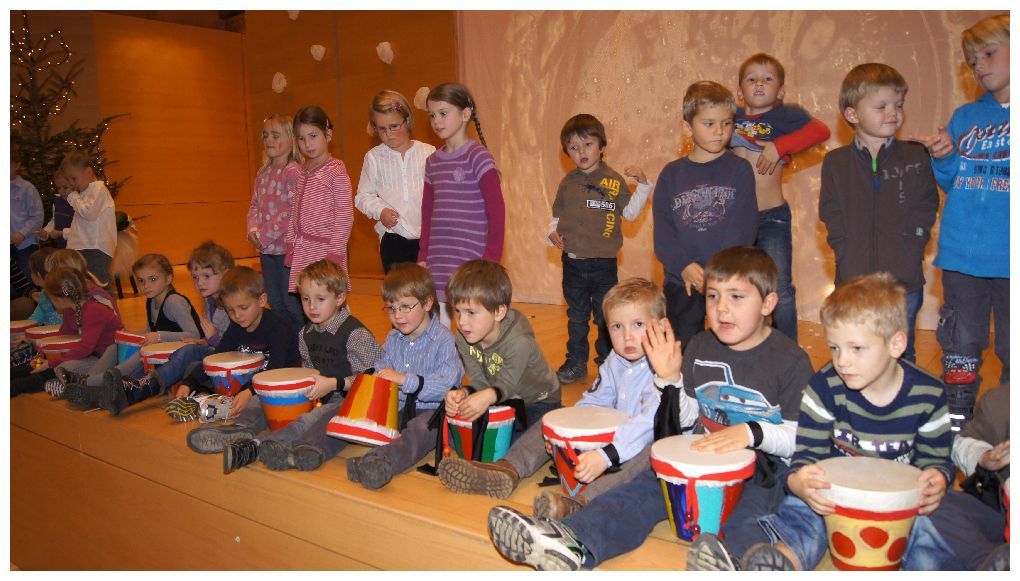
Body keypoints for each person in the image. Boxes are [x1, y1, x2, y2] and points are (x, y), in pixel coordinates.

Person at [487, 246, 811, 571]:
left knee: (751, 513)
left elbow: (800, 440)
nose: (722, 308)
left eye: (736, 297)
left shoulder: (790, 360)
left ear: (768, 303)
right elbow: (687, 418)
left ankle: (734, 565)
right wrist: (669, 380)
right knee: (637, 494)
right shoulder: (700, 346)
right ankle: (573, 543)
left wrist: (750, 433)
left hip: (764, 468)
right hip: (698, 451)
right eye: (713, 296)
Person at [739, 273, 962, 571]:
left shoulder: (928, 393)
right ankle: (779, 563)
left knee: (934, 527)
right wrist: (800, 482)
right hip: (835, 497)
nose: (842, 361)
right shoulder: (824, 387)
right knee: (803, 514)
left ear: (896, 344)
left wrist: (937, 479)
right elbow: (806, 454)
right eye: (835, 347)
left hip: (899, 503)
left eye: (856, 348)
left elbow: (937, 459)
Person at [438, 278, 663, 516]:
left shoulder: (661, 370)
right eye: (617, 326)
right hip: (611, 438)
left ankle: (578, 503)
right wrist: (561, 434)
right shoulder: (613, 362)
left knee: (645, 457)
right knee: (550, 423)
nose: (627, 336)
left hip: (638, 442)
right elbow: (593, 403)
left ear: (660, 326)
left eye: (638, 324)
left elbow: (646, 426)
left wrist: (606, 455)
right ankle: (506, 470)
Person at [346, 259, 560, 490]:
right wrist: (462, 393)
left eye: (471, 312)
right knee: (453, 427)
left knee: (545, 432)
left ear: (499, 312)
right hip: (503, 402)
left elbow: (507, 384)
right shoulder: (464, 339)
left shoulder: (518, 341)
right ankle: (481, 468)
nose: (462, 322)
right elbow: (479, 381)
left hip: (539, 402)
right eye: (457, 311)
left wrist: (483, 396)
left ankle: (505, 471)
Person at [186, 259, 382, 474]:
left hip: (351, 400)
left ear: (340, 298)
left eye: (320, 299)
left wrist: (335, 384)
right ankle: (241, 429)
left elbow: (374, 380)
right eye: (305, 299)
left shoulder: (355, 334)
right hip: (321, 395)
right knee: (269, 398)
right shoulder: (306, 333)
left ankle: (260, 446)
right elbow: (309, 370)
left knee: (310, 419)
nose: (312, 306)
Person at [913, 14, 1010, 431]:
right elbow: (951, 181)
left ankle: (1006, 426)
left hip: (1009, 257)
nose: (980, 66)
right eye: (972, 61)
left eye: (989, 53)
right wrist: (945, 156)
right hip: (961, 256)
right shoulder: (966, 116)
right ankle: (956, 424)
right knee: (960, 343)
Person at [818, 63, 938, 363]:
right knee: (856, 346)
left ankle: (904, 394)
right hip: (853, 278)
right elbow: (830, 210)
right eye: (882, 106)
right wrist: (843, 246)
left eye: (898, 105)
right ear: (852, 115)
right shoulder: (836, 162)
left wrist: (914, 242)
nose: (893, 113)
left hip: (903, 280)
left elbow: (927, 204)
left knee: (902, 351)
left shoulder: (916, 156)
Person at [731, 53, 830, 342]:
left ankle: (787, 351)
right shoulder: (730, 117)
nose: (759, 83)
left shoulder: (785, 115)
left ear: (781, 91)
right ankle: (743, 344)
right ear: (739, 91)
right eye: (751, 79)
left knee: (780, 289)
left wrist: (780, 145)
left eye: (768, 79)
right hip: (734, 220)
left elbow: (821, 130)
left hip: (771, 217)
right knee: (736, 286)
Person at [547, 113, 652, 384]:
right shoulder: (567, 183)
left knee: (606, 317)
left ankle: (609, 364)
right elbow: (556, 217)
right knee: (576, 317)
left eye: (588, 144)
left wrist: (643, 186)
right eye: (574, 147)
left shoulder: (614, 180)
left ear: (602, 146)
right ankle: (576, 362)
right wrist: (552, 234)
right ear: (567, 152)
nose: (581, 152)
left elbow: (630, 213)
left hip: (604, 264)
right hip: (573, 263)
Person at [653, 81, 758, 349]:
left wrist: (715, 273)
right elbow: (663, 234)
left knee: (732, 344)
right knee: (684, 347)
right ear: (687, 127)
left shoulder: (740, 170)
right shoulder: (670, 175)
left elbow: (743, 228)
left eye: (727, 123)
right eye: (709, 124)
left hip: (727, 280)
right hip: (682, 280)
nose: (719, 131)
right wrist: (684, 266)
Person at [61, 254, 204, 414]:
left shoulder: (174, 302)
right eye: (141, 281)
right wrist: (129, 336)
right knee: (115, 347)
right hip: (162, 350)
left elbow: (195, 334)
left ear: (169, 278)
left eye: (152, 279)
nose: (146, 286)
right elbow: (150, 330)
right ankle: (90, 380)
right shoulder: (151, 300)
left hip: (179, 356)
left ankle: (88, 383)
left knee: (141, 354)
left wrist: (159, 336)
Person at [418, 83, 505, 325]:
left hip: (471, 258)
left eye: (443, 113)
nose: (436, 121)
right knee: (440, 328)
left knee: (471, 323)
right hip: (439, 258)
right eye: (432, 115)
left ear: (465, 114)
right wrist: (423, 254)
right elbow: (427, 213)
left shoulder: (478, 156)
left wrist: (490, 260)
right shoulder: (432, 162)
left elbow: (497, 212)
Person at [173, 266, 300, 420]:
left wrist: (250, 391)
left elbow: (275, 369)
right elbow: (216, 358)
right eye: (230, 310)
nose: (237, 315)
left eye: (243, 308)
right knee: (194, 369)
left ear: (261, 300)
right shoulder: (236, 327)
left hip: (277, 383)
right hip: (248, 382)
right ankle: (209, 402)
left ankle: (227, 414)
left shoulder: (278, 327)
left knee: (256, 404)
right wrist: (188, 383)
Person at [355, 90, 435, 273]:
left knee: (430, 288)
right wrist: (380, 211)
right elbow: (362, 197)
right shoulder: (374, 157)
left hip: (429, 237)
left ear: (407, 120)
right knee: (398, 289)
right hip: (393, 237)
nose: (389, 134)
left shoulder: (429, 153)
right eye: (382, 129)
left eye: (394, 126)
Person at [11, 267, 123, 397]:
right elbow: (62, 335)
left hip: (104, 359)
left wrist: (51, 363)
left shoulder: (93, 310)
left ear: (60, 298)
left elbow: (85, 348)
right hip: (90, 355)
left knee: (61, 368)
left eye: (50, 298)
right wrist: (34, 341)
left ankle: (14, 387)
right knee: (36, 365)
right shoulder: (71, 310)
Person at [155, 241, 235, 407]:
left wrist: (213, 338)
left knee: (191, 363)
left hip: (228, 358)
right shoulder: (208, 299)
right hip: (215, 351)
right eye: (195, 277)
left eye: (206, 276)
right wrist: (205, 341)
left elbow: (235, 347)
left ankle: (153, 386)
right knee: (187, 350)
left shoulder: (233, 304)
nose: (199, 283)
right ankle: (147, 384)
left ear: (226, 273)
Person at [285, 105, 354, 292]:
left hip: (325, 250)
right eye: (301, 138)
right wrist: (291, 243)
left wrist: (335, 254)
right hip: (303, 249)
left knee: (329, 297)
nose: (307, 144)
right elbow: (295, 212)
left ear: (328, 135)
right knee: (309, 299)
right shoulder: (302, 172)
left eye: (313, 136)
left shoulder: (336, 172)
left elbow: (344, 216)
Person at [248, 113, 304, 328]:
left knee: (291, 303)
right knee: (275, 300)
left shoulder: (293, 172)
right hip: (267, 250)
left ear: (291, 139)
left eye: (275, 135)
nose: (269, 140)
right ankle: (284, 338)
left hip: (287, 250)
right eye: (265, 135)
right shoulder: (263, 173)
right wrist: (253, 230)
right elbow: (254, 205)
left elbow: (292, 210)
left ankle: (300, 342)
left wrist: (265, 235)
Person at [58, 151, 117, 286]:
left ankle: (106, 301)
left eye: (73, 178)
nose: (71, 184)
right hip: (85, 247)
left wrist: (72, 197)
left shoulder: (99, 189)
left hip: (95, 248)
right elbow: (81, 225)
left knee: (97, 286)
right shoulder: (85, 193)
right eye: (69, 179)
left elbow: (89, 214)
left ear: (89, 172)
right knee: (85, 286)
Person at [10, 150, 44, 288]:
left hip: (25, 244)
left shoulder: (28, 189)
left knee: (28, 278)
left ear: (17, 165)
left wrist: (22, 233)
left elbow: (38, 216)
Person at [35, 171, 75, 250]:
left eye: (65, 188)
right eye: (59, 188)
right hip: (60, 246)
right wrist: (46, 232)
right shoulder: (57, 202)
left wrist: (61, 233)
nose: (61, 191)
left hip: (75, 247)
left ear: (74, 186)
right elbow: (54, 221)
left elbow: (81, 230)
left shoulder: (78, 204)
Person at [26, 247, 62, 326]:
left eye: (31, 271)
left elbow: (34, 321)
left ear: (38, 275)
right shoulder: (44, 294)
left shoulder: (64, 296)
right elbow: (34, 320)